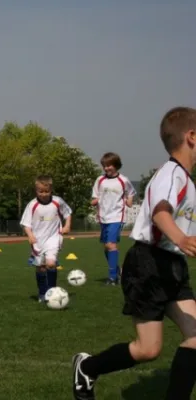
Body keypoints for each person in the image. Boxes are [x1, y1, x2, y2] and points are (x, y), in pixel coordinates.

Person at [73, 106, 196, 400]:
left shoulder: (188, 181)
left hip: (173, 266)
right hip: (149, 265)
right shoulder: (171, 174)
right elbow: (160, 212)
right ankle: (87, 367)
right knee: (148, 349)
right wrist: (181, 238)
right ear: (191, 136)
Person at [20, 175, 72, 302]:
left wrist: (67, 225)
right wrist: (30, 235)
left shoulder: (57, 202)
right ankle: (42, 293)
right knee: (40, 267)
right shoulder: (32, 205)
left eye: (46, 191)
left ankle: (52, 292)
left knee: (51, 264)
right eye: (41, 191)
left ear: (51, 189)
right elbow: (26, 223)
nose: (44, 194)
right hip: (37, 240)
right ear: (36, 190)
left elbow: (68, 213)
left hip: (53, 238)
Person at [91, 152, 136, 285]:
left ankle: (113, 278)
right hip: (103, 217)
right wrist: (94, 201)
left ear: (116, 165)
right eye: (104, 166)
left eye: (109, 165)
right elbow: (95, 197)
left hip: (117, 216)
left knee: (111, 245)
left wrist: (129, 200)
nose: (106, 168)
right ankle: (117, 271)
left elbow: (131, 192)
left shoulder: (123, 180)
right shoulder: (100, 180)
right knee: (107, 247)